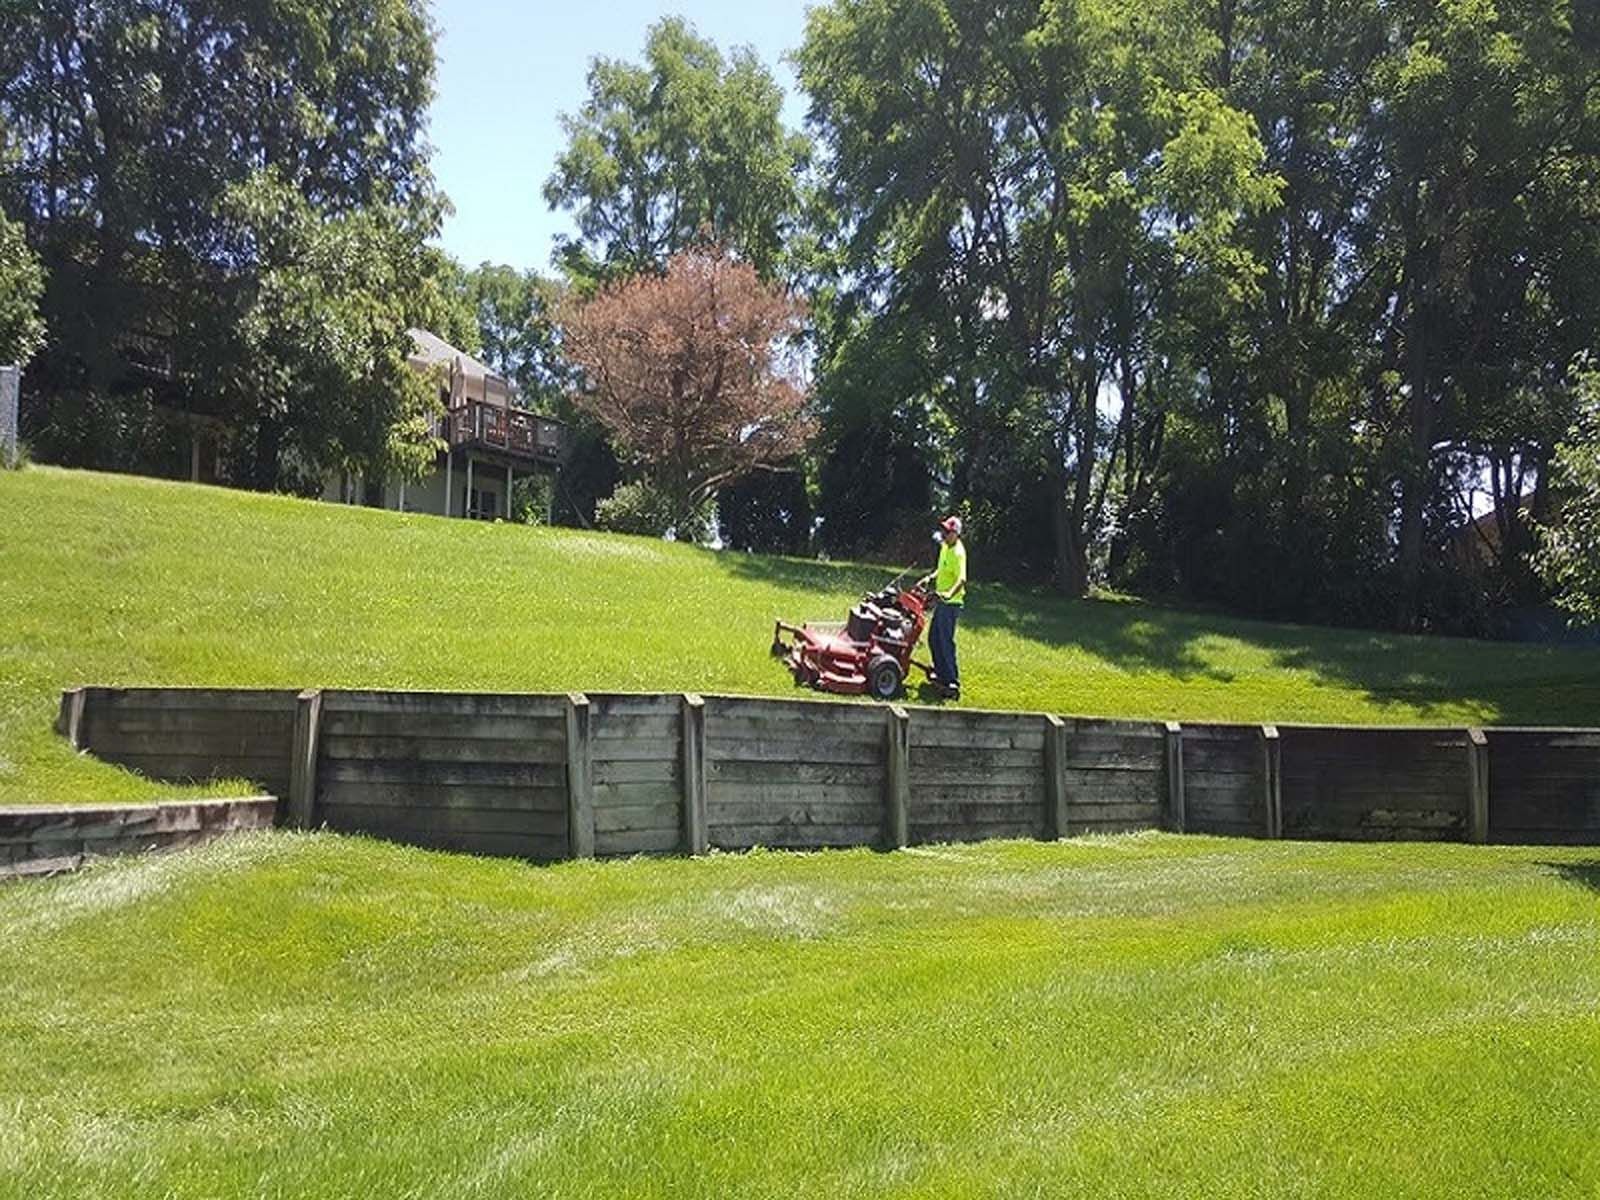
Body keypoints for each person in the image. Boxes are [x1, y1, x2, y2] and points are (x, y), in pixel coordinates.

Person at [919, 515, 967, 699]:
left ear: (956, 534)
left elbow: (961, 579)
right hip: (942, 601)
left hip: (951, 603)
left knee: (945, 640)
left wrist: (949, 594)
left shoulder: (958, 553)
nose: (944, 534)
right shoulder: (946, 547)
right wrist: (930, 577)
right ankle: (941, 673)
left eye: (948, 532)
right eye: (944, 530)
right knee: (934, 638)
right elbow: (942, 569)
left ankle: (952, 680)